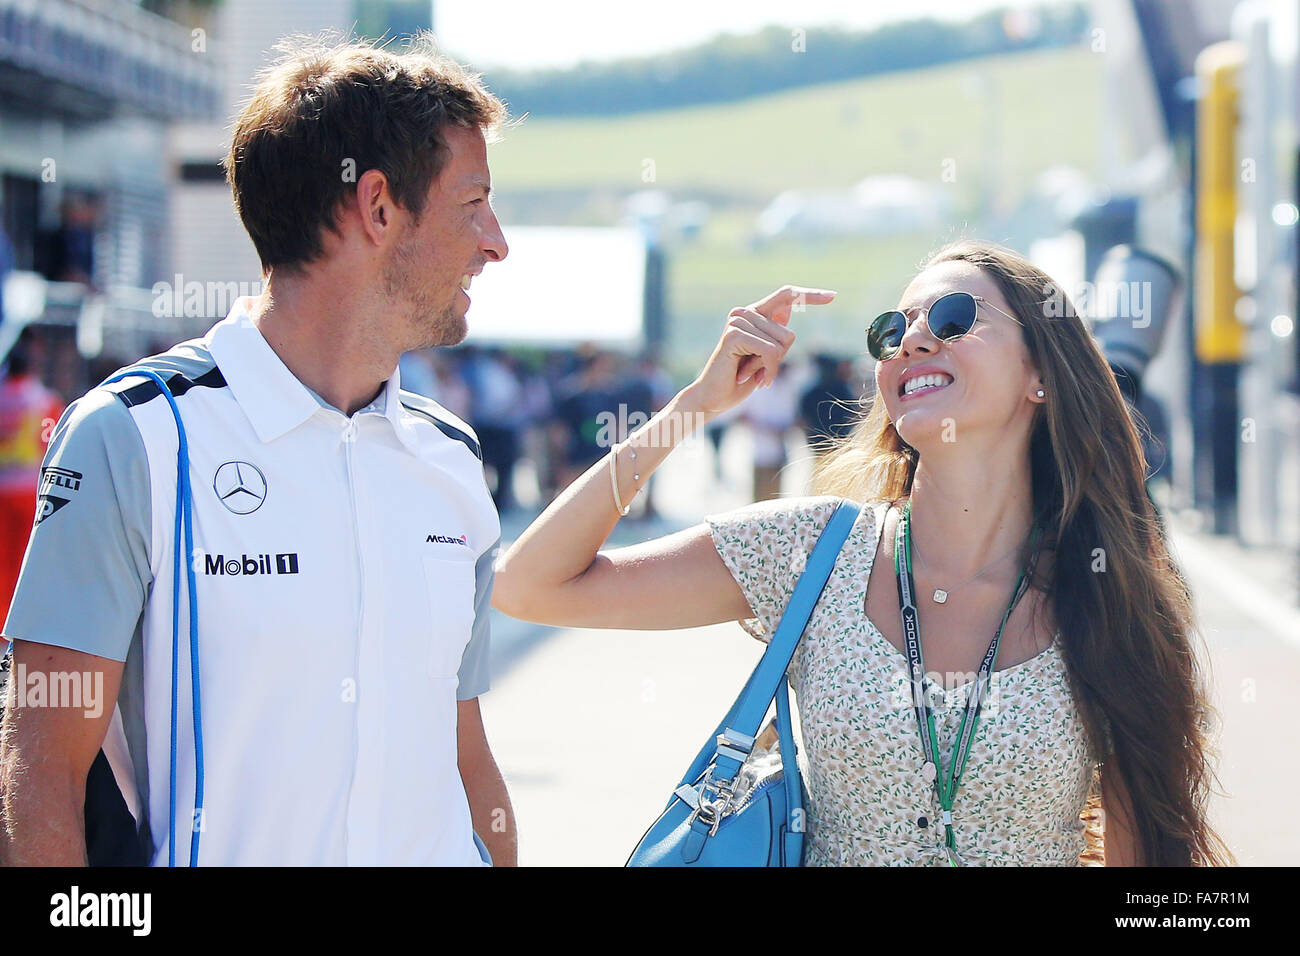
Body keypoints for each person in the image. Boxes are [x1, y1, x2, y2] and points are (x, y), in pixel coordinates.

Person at [492, 241, 1236, 867]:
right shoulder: (810, 548)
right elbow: (532, 587)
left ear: (1042, 372)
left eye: (952, 318)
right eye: (892, 331)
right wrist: (693, 407)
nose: (912, 340)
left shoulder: (1104, 584)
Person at [0, 34, 516, 867]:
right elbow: (38, 779)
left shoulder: (451, 457)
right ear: (378, 207)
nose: (496, 241)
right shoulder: (132, 437)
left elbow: (464, 758)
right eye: (474, 203)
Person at [0, 328, 65, 623]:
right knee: (25, 560)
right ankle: (18, 621)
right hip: (29, 491)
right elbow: (55, 443)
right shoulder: (44, 400)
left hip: (3, 487)